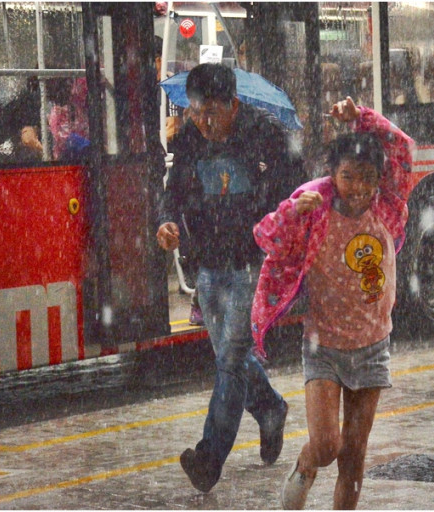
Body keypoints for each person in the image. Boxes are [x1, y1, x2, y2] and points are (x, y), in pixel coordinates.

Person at [250, 96, 415, 509]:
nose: (357, 188)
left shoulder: (388, 208)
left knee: (353, 460)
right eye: (347, 176)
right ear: (332, 174)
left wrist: (362, 117)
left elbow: (404, 148)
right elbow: (265, 237)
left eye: (366, 177)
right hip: (323, 347)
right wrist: (290, 211)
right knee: (327, 446)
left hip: (373, 347)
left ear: (379, 179)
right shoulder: (314, 209)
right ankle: (304, 467)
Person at [156, 63, 300, 493]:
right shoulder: (189, 139)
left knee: (232, 359)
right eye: (197, 113)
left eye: (212, 113)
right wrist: (166, 222)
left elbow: (293, 197)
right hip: (207, 264)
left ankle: (209, 457)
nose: (204, 122)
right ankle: (271, 408)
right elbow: (173, 192)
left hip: (251, 264)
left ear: (234, 105)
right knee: (229, 359)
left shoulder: (268, 136)